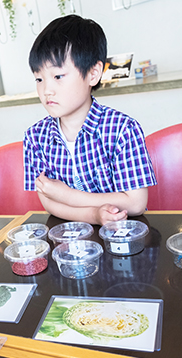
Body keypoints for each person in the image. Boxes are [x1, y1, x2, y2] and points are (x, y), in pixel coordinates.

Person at [23, 15, 156, 226]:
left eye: (58, 76)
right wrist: (93, 216)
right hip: (67, 241)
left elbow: (136, 203)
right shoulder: (34, 137)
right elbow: (48, 202)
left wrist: (67, 195)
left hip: (122, 238)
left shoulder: (122, 129)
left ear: (93, 74)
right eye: (39, 79)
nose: (46, 90)